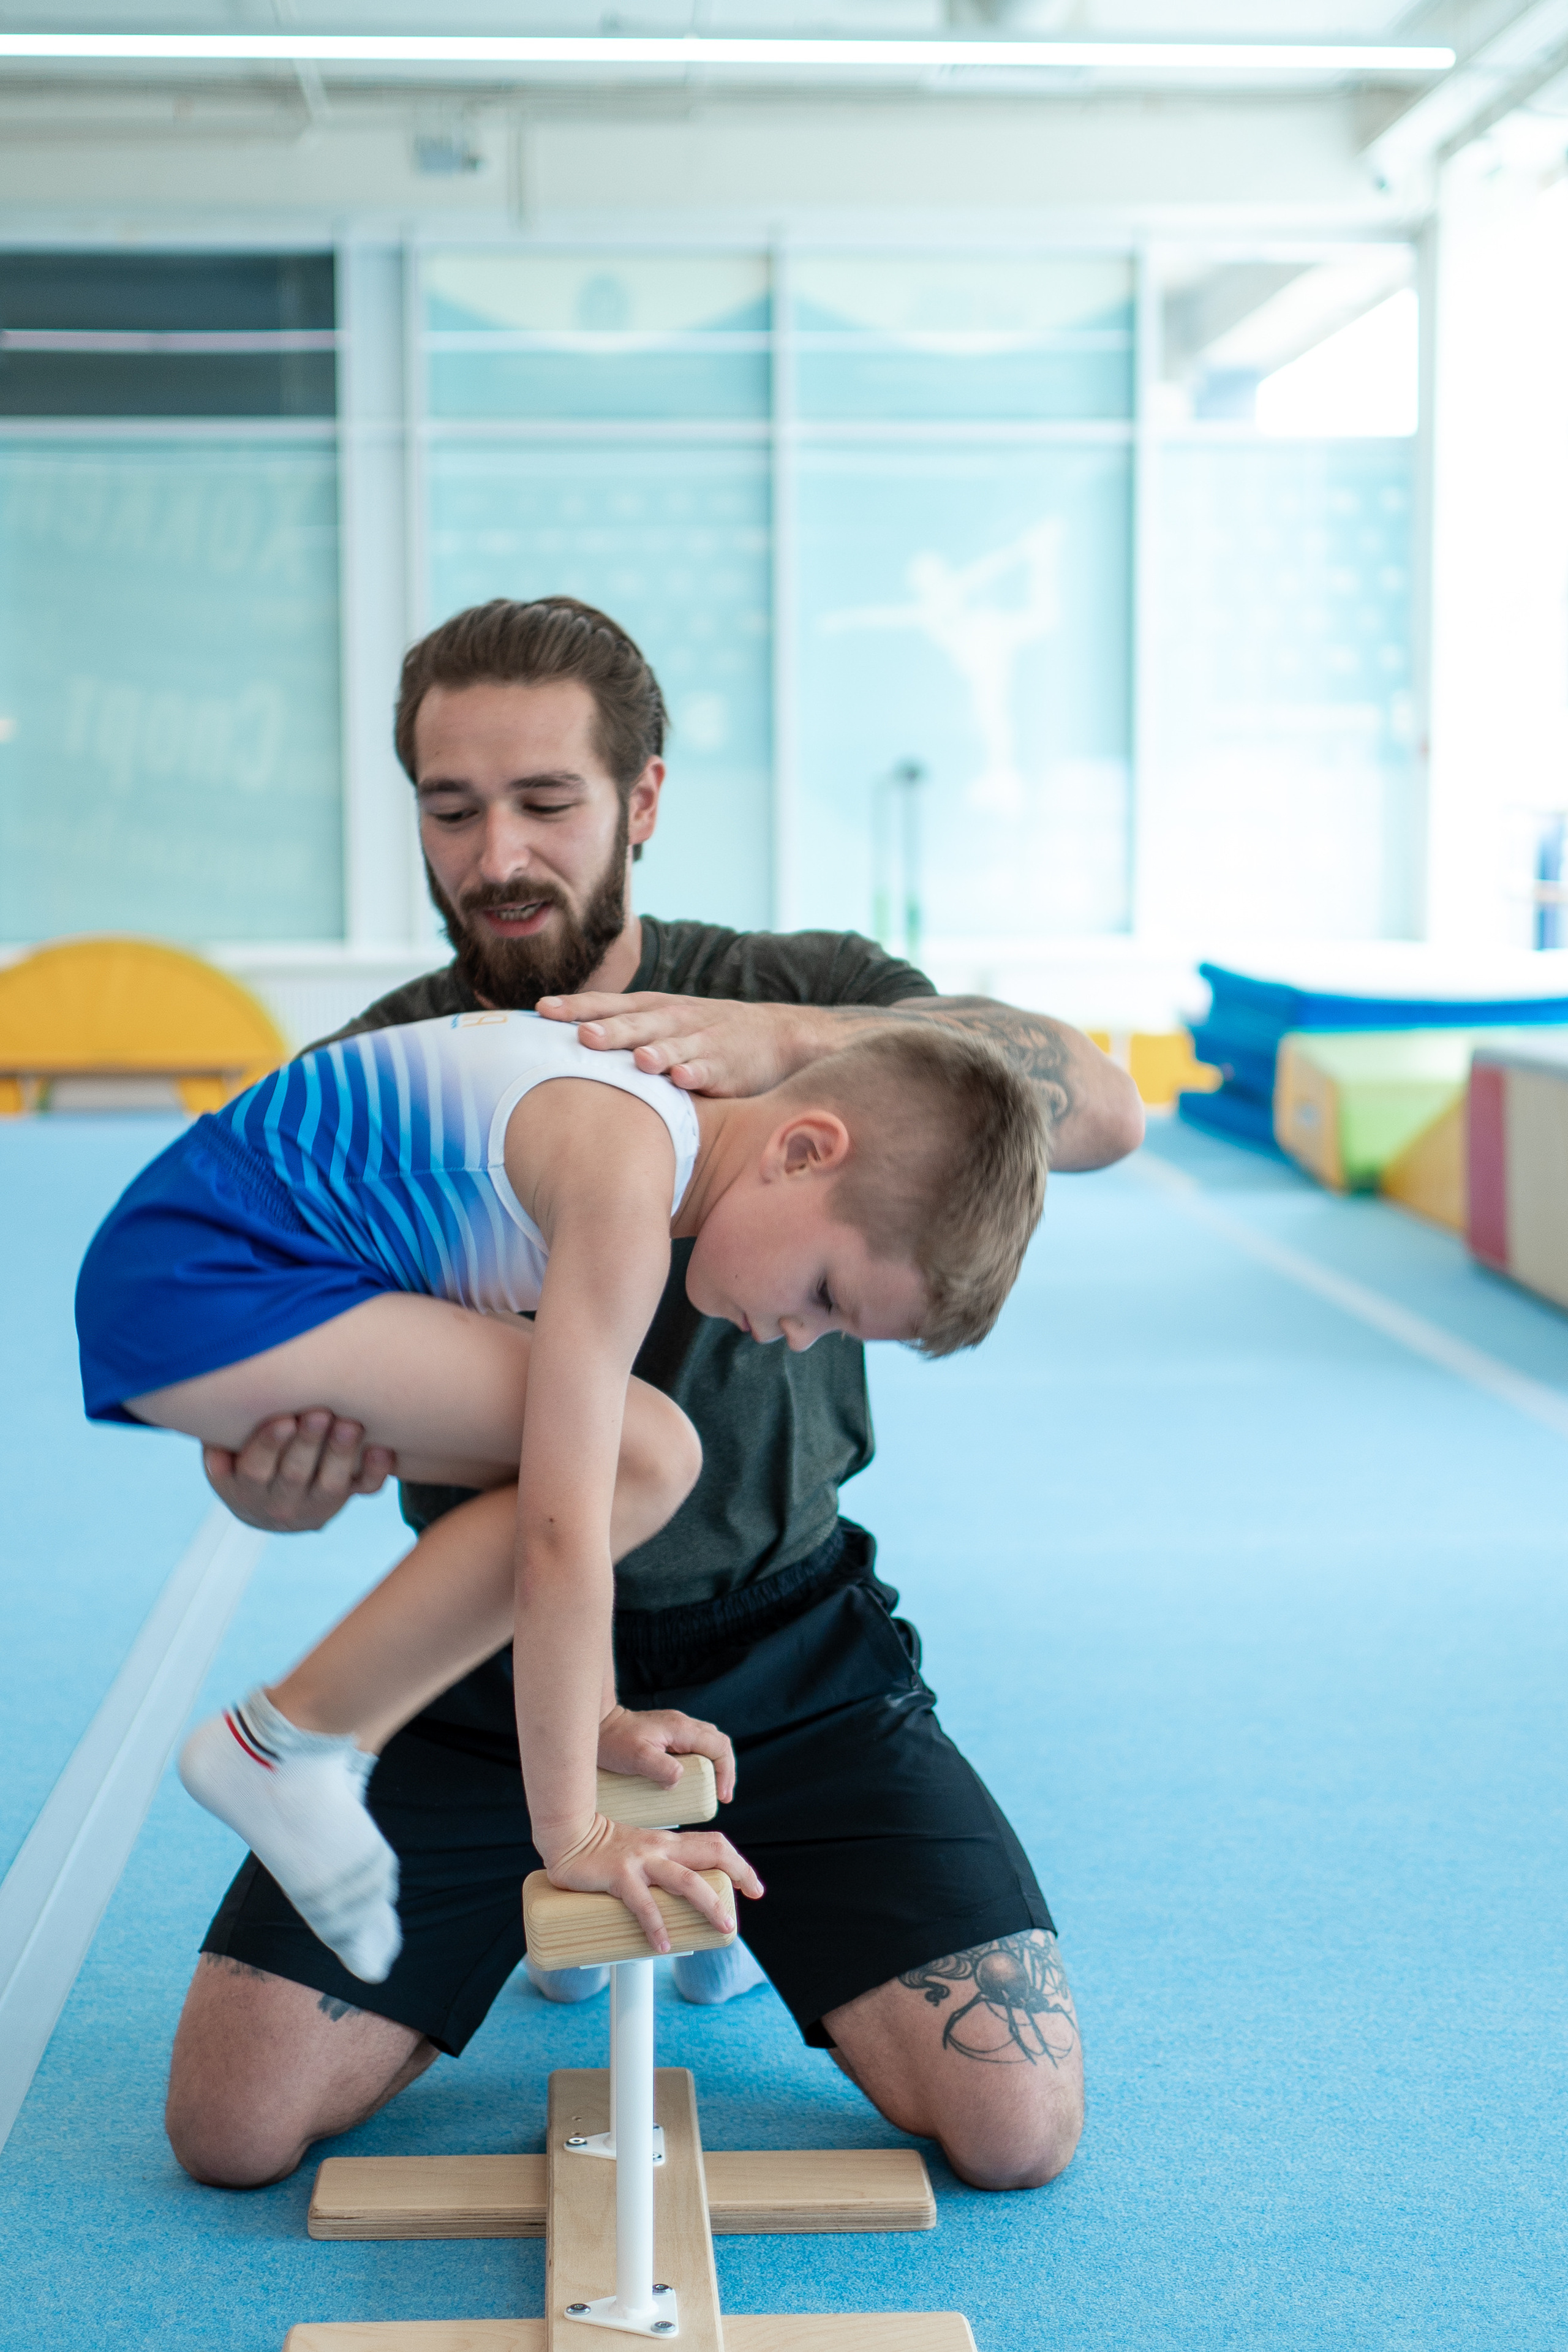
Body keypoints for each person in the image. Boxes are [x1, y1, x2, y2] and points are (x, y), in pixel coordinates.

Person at [165, 596, 1144, 2196]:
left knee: (1015, 2125)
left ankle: (725, 1906)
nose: (498, 856)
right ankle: (554, 1898)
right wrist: (267, 1479)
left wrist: (797, 1041)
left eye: (546, 801)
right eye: (452, 806)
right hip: (488, 1675)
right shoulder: (386, 1072)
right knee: (233, 2125)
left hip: (796, 1646)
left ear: (643, 800)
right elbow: (262, 1426)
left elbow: (1099, 1108)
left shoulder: (801, 993)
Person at [77, 1005, 1044, 1984]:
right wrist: (573, 1834)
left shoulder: (642, 1133)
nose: (800, 1337)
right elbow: (558, 1538)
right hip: (201, 1274)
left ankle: (303, 1738)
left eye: (834, 1333)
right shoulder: (624, 1186)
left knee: (648, 1453)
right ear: (802, 1151)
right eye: (828, 1298)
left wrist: (596, 1718)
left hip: (217, 1261)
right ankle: (287, 1741)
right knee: (638, 1458)